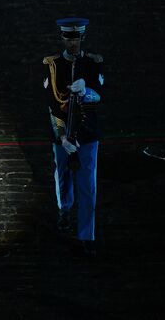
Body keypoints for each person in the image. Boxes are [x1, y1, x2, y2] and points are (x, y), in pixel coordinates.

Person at [43, 17, 105, 256]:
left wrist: (86, 90)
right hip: (62, 131)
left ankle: (86, 235)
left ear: (82, 38)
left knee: (88, 184)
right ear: (63, 39)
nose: (73, 43)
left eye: (76, 38)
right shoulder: (52, 64)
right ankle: (64, 209)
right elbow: (51, 102)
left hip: (87, 132)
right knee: (63, 174)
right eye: (69, 39)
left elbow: (99, 94)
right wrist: (62, 137)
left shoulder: (93, 63)